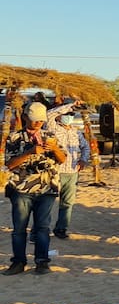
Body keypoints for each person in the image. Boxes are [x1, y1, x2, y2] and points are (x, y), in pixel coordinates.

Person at [4, 102, 67, 275]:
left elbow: (62, 159)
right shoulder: (14, 137)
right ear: (24, 117)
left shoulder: (51, 135)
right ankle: (18, 262)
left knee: (42, 228)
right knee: (19, 229)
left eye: (41, 120)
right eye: (34, 120)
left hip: (47, 188)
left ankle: (42, 262)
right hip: (22, 188)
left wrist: (54, 148)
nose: (38, 123)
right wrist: (29, 152)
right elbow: (9, 164)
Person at [49, 111, 90, 240]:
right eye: (66, 114)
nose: (69, 116)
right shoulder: (53, 128)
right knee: (47, 203)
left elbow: (85, 147)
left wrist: (83, 159)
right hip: (55, 171)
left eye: (72, 114)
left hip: (72, 172)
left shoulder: (75, 131)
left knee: (67, 202)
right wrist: (69, 105)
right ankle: (37, 231)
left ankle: (61, 228)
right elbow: (49, 114)